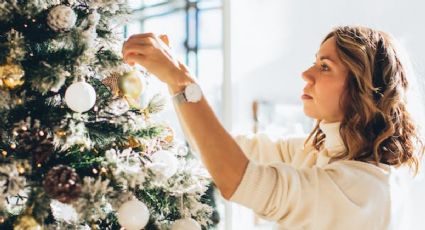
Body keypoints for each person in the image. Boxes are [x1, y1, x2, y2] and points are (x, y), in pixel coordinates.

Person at [122, 26, 424, 229]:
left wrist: (183, 82)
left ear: (362, 88)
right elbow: (220, 150)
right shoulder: (315, 151)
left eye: (325, 66)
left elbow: (239, 179)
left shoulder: (364, 189)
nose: (306, 73)